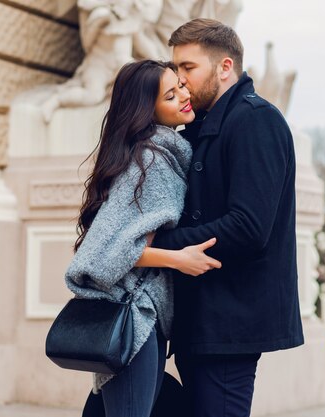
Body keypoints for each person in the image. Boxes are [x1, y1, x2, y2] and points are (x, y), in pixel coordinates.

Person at [151, 19, 304, 417]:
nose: (180, 80)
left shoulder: (256, 120)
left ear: (224, 68)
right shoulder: (200, 127)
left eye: (188, 68)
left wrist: (160, 246)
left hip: (230, 323)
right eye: (177, 69)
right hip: (201, 320)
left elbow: (249, 227)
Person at [65, 59, 221, 417]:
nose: (184, 96)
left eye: (180, 86)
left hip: (144, 317)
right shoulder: (151, 161)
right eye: (171, 95)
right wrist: (179, 258)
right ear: (147, 111)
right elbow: (110, 252)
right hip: (134, 317)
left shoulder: (162, 154)